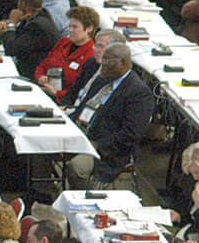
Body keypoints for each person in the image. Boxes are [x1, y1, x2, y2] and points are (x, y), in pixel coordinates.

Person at [66, 41, 155, 185]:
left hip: (106, 150)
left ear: (123, 63)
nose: (103, 63)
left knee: (77, 167)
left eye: (108, 60)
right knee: (41, 143)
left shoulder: (139, 93)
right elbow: (81, 108)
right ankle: (43, 191)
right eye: (104, 59)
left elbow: (130, 134)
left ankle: (81, 196)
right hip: (80, 133)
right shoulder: (102, 79)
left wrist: (98, 145)